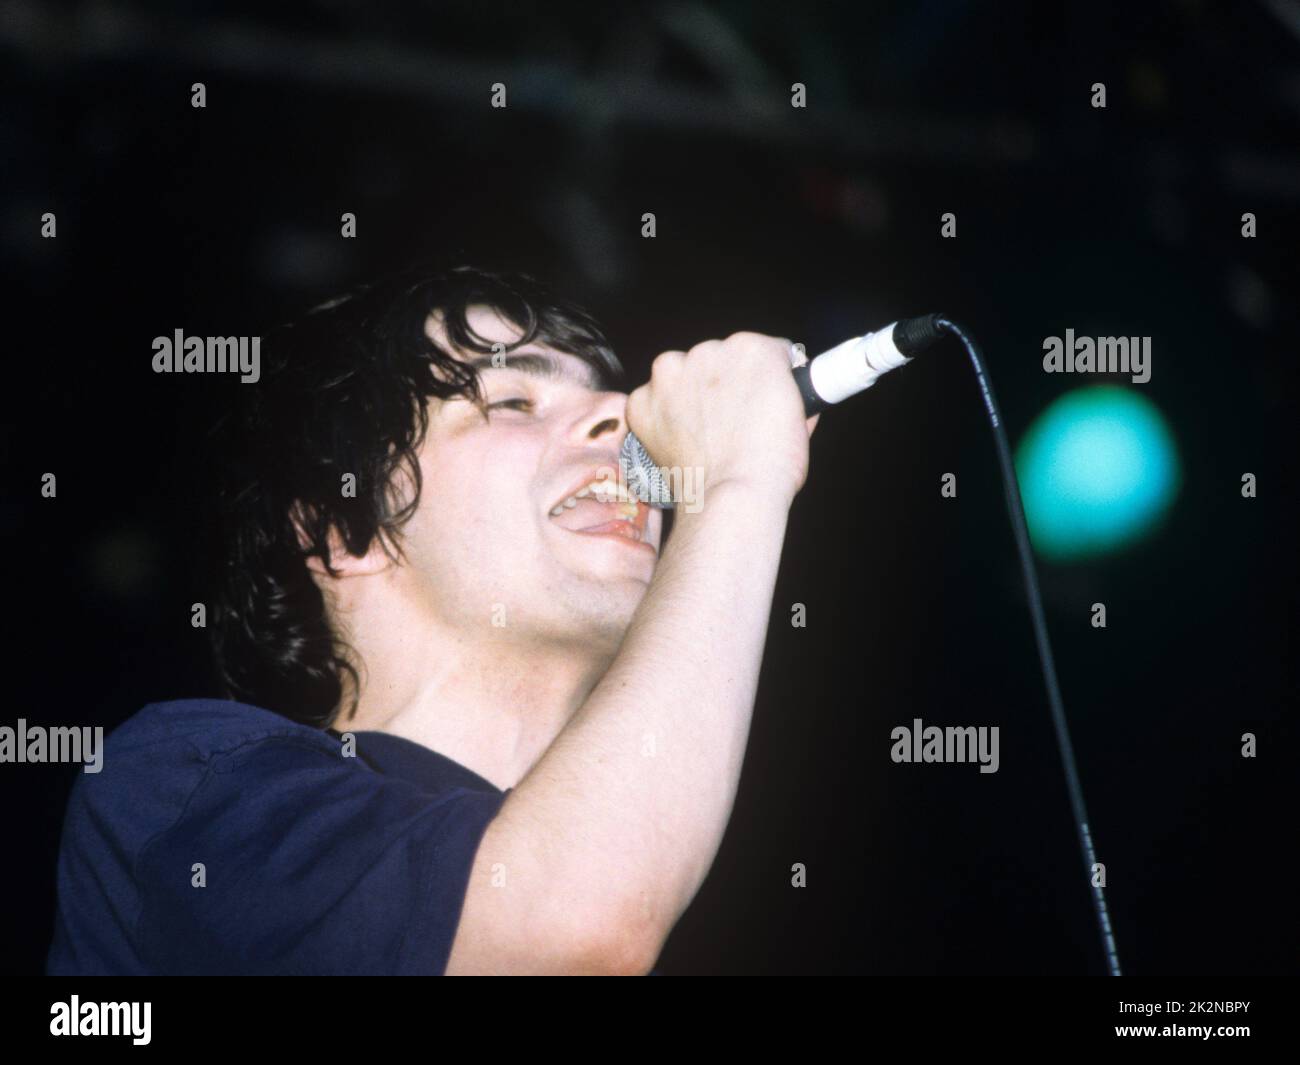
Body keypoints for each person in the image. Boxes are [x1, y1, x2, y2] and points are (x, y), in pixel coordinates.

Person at [46, 263, 817, 975]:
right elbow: (565, 925)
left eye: (610, 393)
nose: (623, 415)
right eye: (514, 400)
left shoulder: (679, 867)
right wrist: (737, 491)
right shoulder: (186, 785)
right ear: (342, 533)